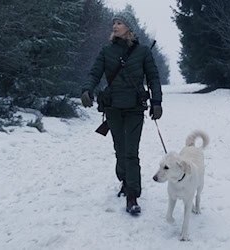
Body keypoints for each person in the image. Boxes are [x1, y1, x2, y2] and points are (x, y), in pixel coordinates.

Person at [80, 10, 163, 215]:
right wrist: (87, 89)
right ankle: (125, 181)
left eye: (119, 23)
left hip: (135, 108)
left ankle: (133, 196)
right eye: (114, 23)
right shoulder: (106, 51)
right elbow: (94, 73)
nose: (115, 26)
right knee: (120, 149)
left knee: (131, 152)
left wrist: (157, 102)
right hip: (113, 108)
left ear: (129, 28)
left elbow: (153, 78)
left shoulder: (143, 51)